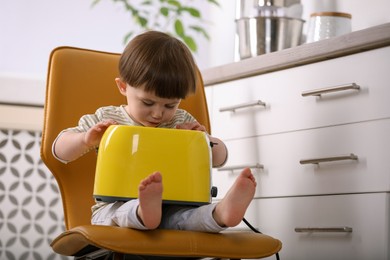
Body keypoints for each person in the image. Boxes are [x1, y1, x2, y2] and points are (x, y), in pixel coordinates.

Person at [52, 30, 257, 233]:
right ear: (123, 86)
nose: (158, 114)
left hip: (175, 206)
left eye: (170, 105)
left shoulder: (181, 121)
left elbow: (220, 158)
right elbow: (59, 150)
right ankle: (144, 211)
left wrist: (203, 140)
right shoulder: (107, 119)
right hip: (114, 206)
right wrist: (85, 140)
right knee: (119, 214)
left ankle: (221, 214)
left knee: (189, 217)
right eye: (148, 102)